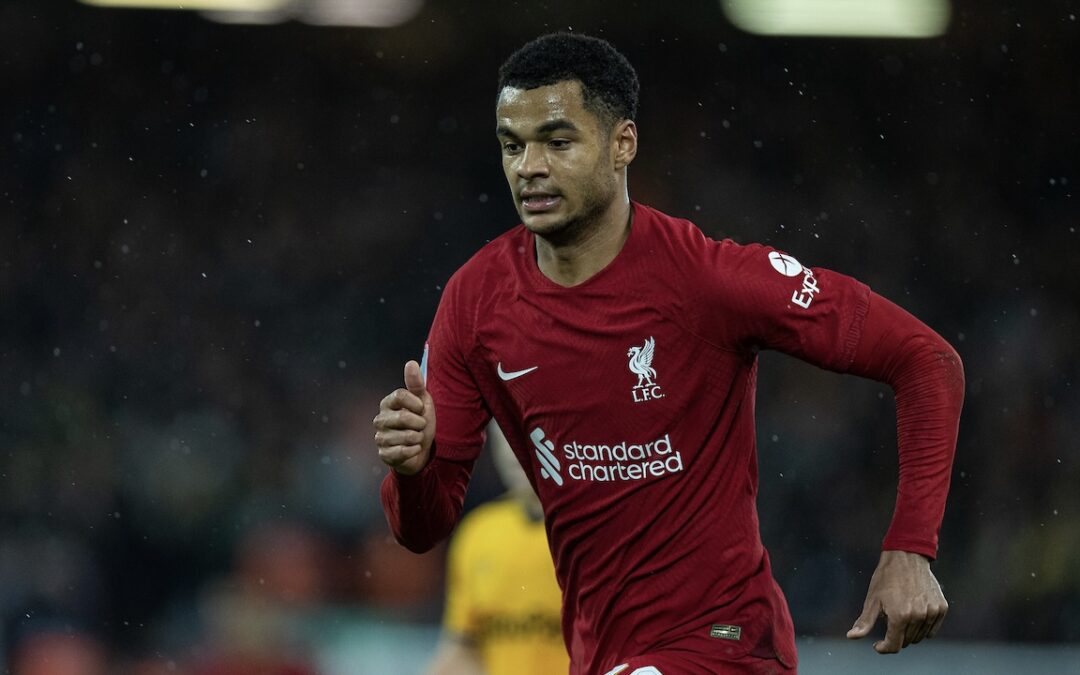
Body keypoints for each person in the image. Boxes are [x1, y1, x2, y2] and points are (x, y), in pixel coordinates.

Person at [373, 32, 964, 674]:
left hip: (726, 647)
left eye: (557, 141)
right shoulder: (477, 299)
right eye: (512, 146)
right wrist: (411, 467)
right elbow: (423, 528)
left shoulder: (708, 282)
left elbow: (926, 360)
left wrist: (910, 545)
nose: (528, 166)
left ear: (623, 143)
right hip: (602, 657)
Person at [426, 421, 568, 675]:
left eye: (523, 432)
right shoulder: (478, 533)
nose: (512, 447)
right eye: (502, 435)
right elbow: (463, 648)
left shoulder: (594, 532)